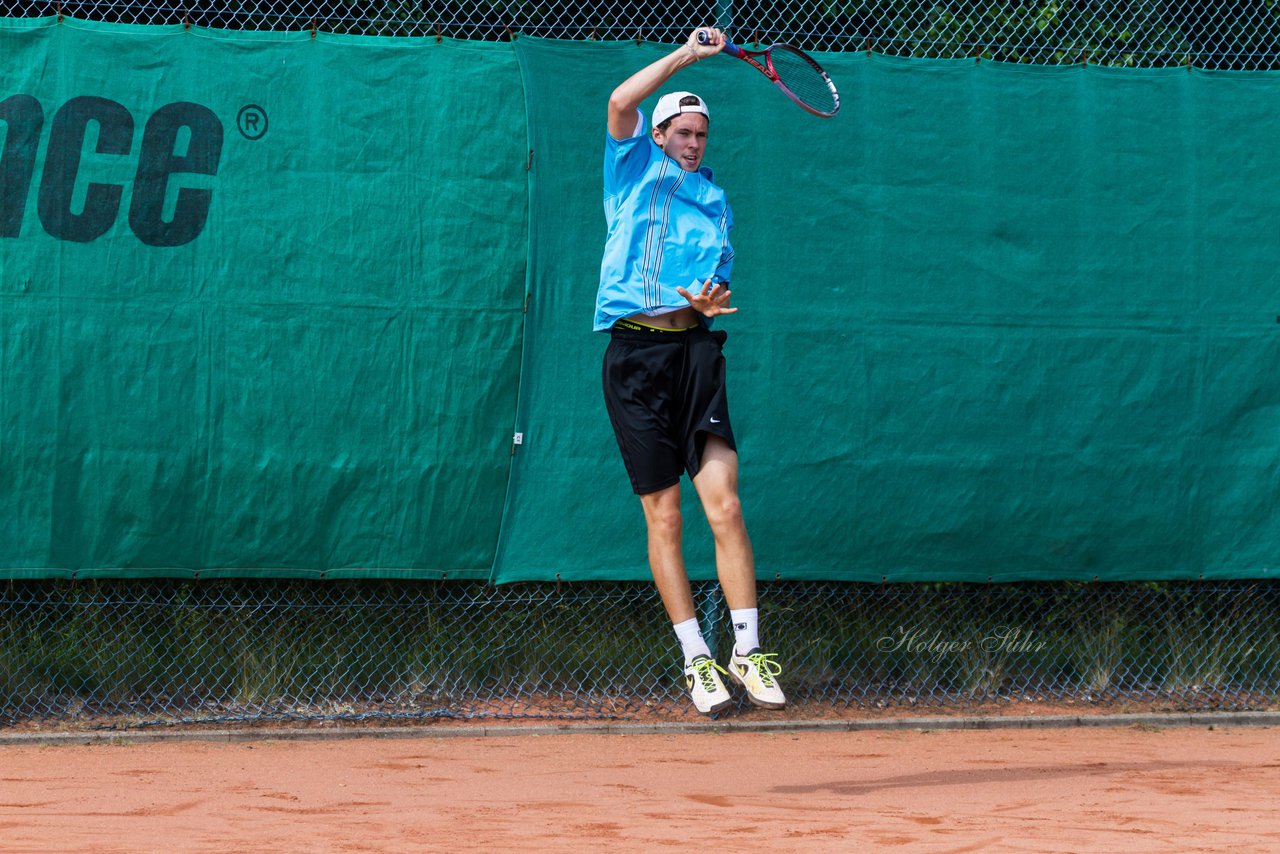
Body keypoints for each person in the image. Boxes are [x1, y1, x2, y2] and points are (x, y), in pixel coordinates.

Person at [596, 27, 786, 715]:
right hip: (635, 360)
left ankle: (748, 649)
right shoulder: (631, 169)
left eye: (701, 134)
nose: (693, 142)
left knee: (726, 506)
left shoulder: (715, 202)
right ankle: (696, 660)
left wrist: (708, 301)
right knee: (667, 518)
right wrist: (686, 54)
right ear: (659, 132)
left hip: (696, 355)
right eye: (682, 130)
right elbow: (620, 99)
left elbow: (716, 284)